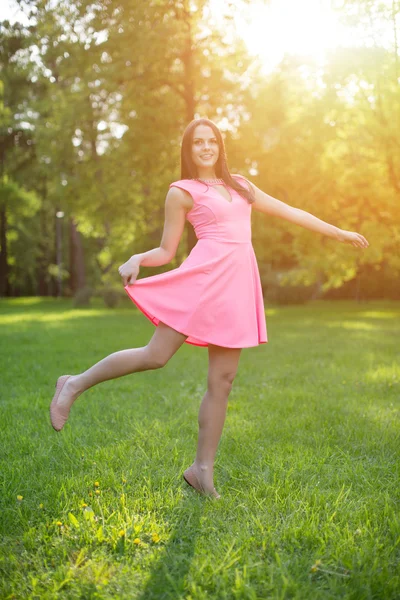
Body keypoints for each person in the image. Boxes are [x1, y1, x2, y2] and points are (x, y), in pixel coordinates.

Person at [50, 117, 369, 499]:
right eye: (198, 142)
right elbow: (167, 250)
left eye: (212, 141)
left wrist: (339, 232)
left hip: (236, 286)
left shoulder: (242, 186)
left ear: (220, 146)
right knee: (156, 355)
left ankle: (202, 471)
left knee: (223, 380)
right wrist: (136, 257)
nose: (206, 147)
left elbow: (290, 211)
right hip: (204, 281)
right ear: (188, 150)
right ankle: (74, 384)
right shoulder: (182, 191)